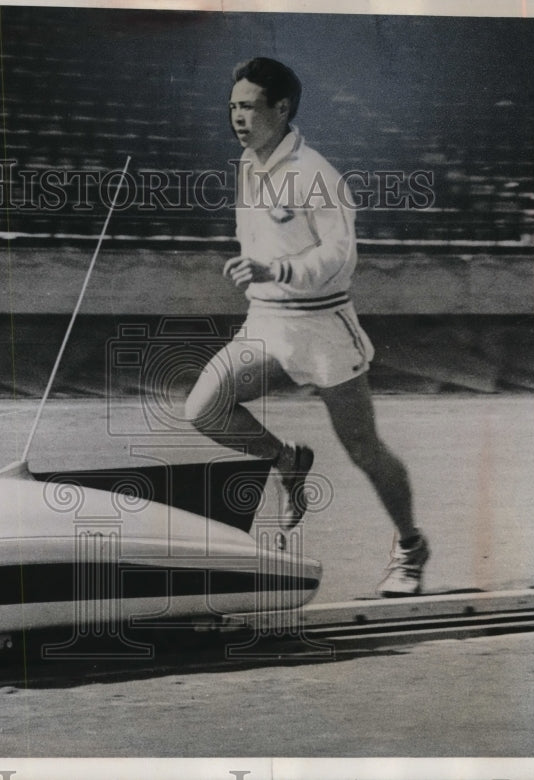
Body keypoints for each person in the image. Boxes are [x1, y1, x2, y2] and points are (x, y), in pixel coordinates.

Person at [184, 57, 428, 597]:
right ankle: (286, 459)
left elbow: (340, 257)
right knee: (203, 408)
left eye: (248, 106)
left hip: (322, 330)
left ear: (282, 108)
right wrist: (261, 273)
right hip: (267, 323)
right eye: (232, 107)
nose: (237, 117)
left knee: (365, 450)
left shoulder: (316, 174)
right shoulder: (248, 164)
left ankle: (410, 548)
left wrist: (280, 269)